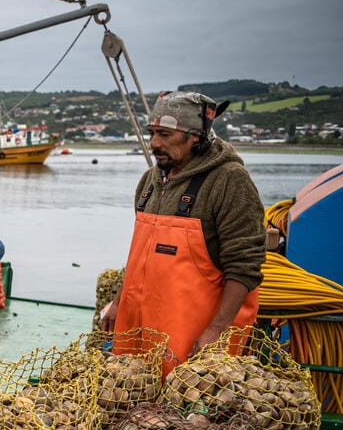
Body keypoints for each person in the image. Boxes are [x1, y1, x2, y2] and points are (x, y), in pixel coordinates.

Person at [100, 91, 265, 373]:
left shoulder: (229, 181)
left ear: (195, 137)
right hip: (139, 334)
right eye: (152, 133)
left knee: (190, 413)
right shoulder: (150, 181)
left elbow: (244, 267)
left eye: (165, 134)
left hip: (196, 339)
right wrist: (117, 302)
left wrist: (215, 332)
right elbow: (142, 252)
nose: (154, 143)